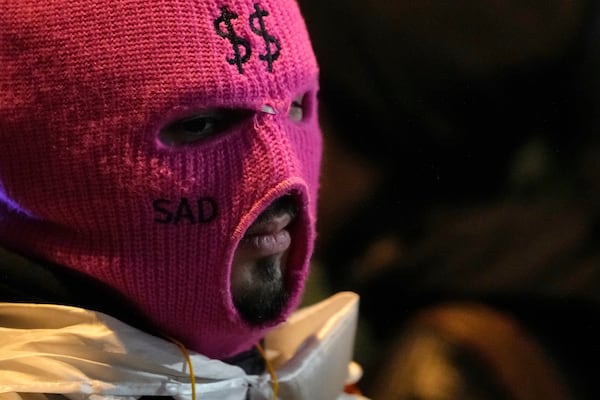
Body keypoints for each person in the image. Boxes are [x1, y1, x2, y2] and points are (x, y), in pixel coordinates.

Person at [0, 1, 364, 399]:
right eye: (199, 124)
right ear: (46, 158)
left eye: (294, 107)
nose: (283, 173)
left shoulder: (303, 373)